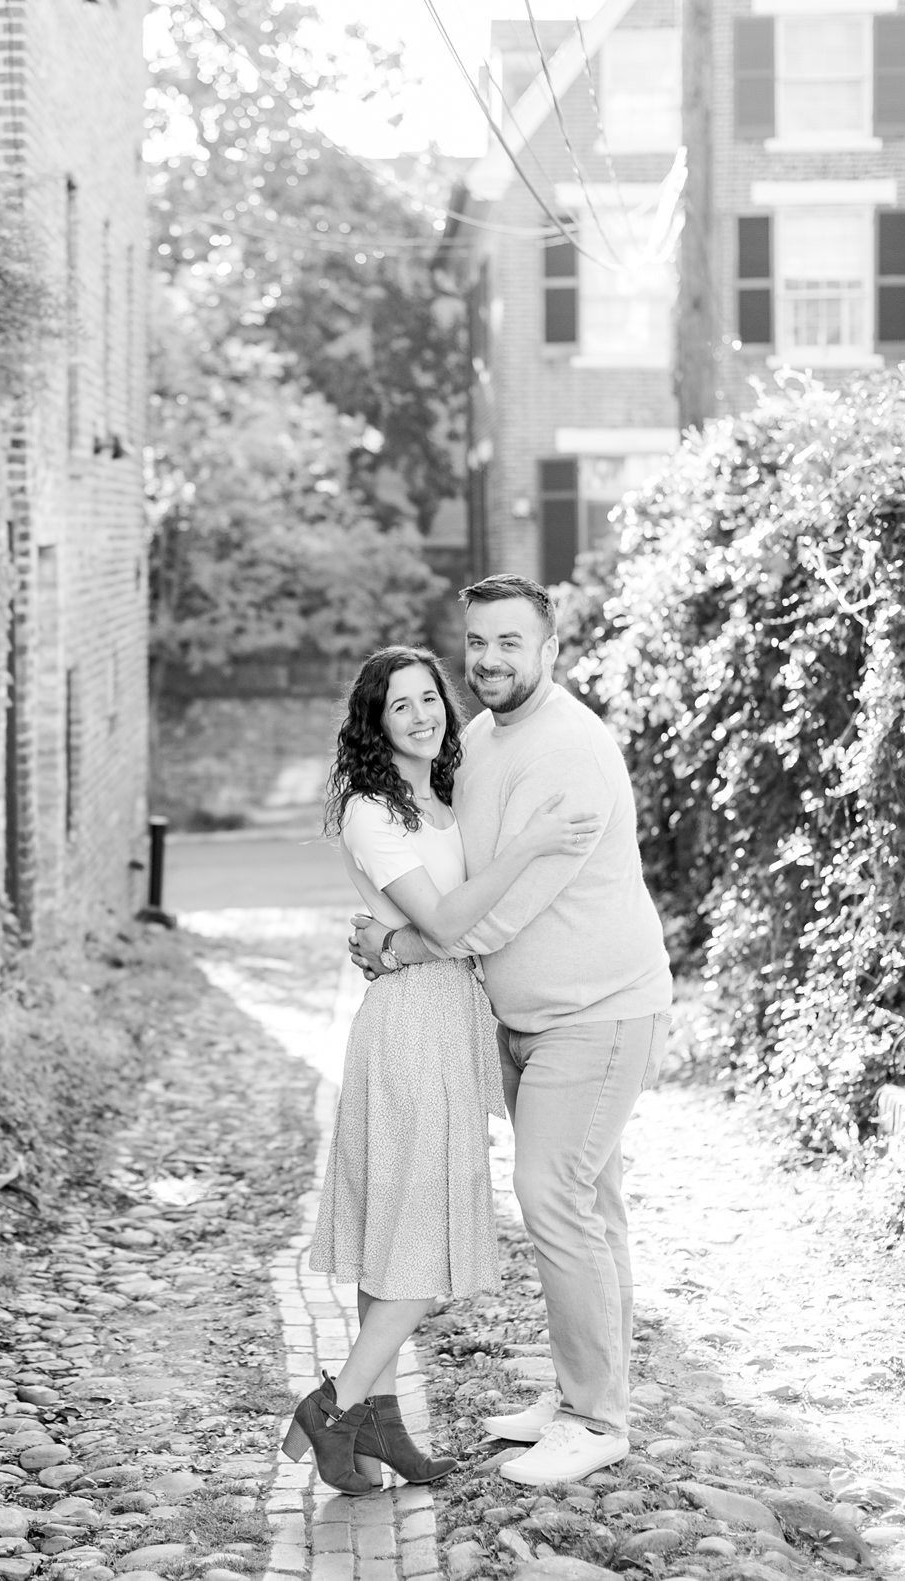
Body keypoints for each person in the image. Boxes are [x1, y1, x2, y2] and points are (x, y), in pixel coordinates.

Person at [350, 575, 673, 1488]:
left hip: (596, 1014)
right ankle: (581, 1389)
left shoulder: (568, 751)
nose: (489, 659)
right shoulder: (482, 738)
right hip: (527, 1019)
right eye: (477, 642)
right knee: (590, 1209)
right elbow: (456, 867)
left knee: (552, 1197)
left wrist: (394, 945)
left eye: (510, 642)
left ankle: (594, 1418)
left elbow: (487, 917)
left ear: (551, 647)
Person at [282, 644, 600, 1496]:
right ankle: (336, 1403)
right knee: (421, 1237)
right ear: (373, 722)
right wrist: (531, 842)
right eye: (401, 705)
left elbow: (442, 922)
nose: (423, 714)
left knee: (397, 1237)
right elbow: (451, 918)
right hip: (412, 1024)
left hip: (445, 1011)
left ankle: (379, 1423)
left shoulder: (444, 791)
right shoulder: (370, 811)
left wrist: (385, 941)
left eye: (431, 698)